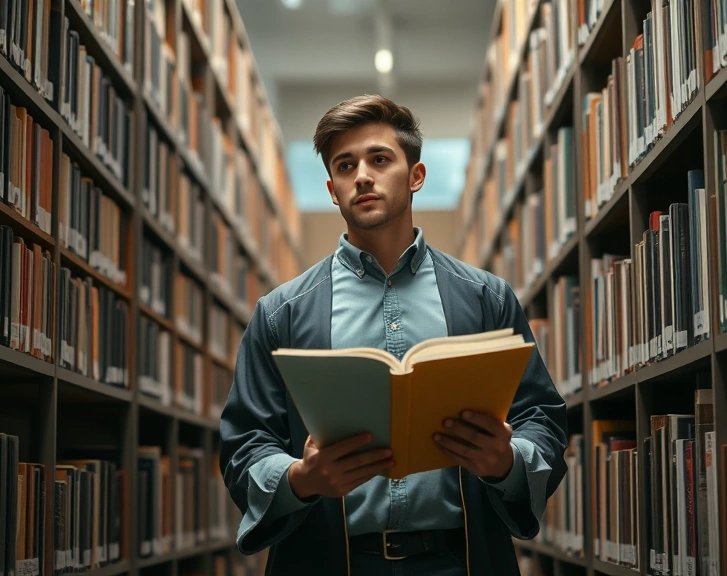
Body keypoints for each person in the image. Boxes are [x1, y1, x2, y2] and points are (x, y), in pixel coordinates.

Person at [218, 94, 568, 575]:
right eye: (345, 165)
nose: (362, 175)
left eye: (379, 159)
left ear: (416, 176)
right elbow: (245, 444)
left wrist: (506, 460)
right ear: (332, 188)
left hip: (461, 562)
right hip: (329, 563)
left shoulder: (488, 298)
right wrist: (301, 477)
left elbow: (542, 418)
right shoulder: (281, 313)